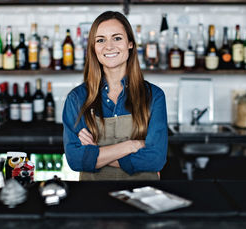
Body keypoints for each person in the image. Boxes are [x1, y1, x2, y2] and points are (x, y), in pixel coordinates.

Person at [62, 11, 168, 180]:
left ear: (130, 44)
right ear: (93, 48)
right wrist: (133, 145)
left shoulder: (153, 96)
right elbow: (75, 160)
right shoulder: (77, 98)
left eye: (117, 38)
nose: (109, 46)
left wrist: (96, 153)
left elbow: (155, 159)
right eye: (100, 40)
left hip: (142, 196)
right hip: (94, 198)